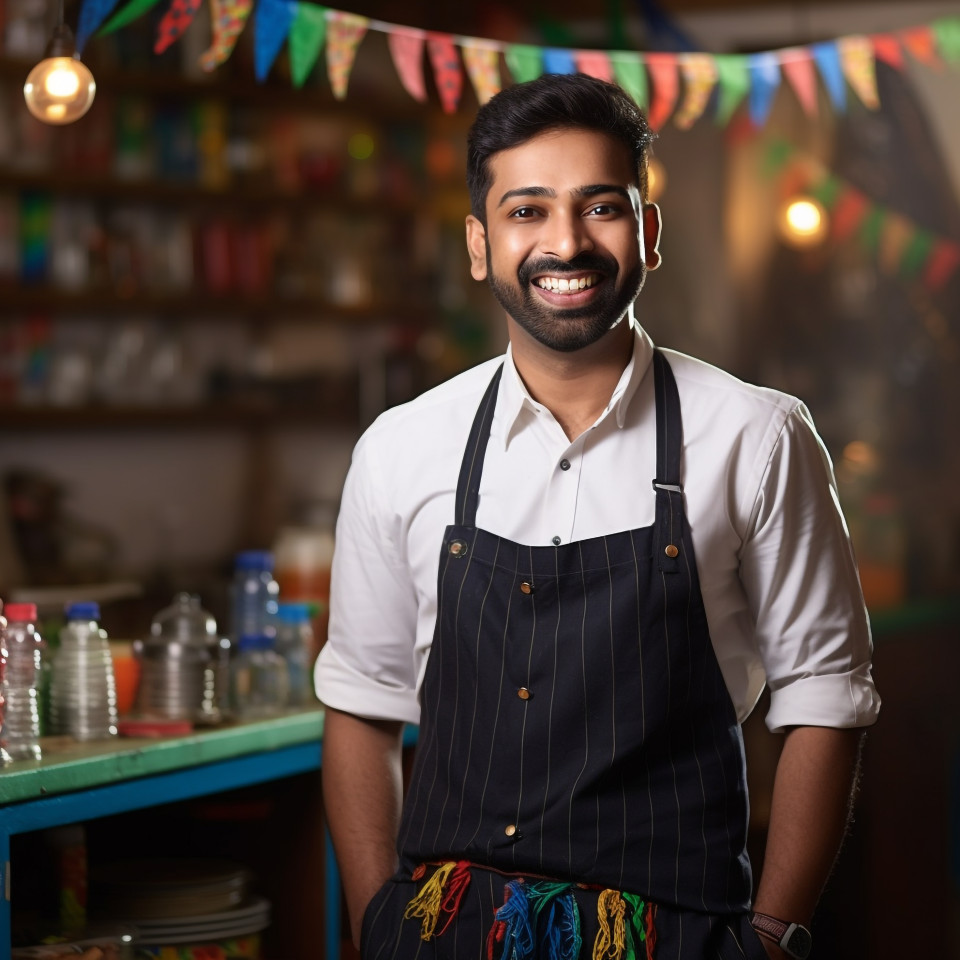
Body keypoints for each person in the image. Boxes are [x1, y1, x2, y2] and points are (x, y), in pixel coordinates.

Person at [316, 73, 880, 960]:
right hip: (448, 934)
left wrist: (769, 940)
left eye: (600, 207)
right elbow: (360, 699)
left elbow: (825, 699)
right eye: (527, 211)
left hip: (672, 935)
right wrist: (373, 926)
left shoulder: (758, 436)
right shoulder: (402, 447)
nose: (565, 243)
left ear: (648, 233)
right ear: (480, 243)